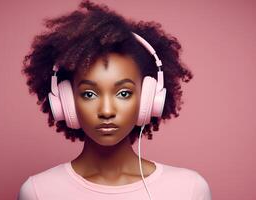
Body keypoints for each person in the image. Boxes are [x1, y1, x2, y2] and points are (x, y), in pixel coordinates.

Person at [18, 0, 212, 199]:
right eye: (89, 94)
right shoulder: (38, 191)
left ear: (149, 99)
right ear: (65, 102)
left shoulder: (189, 189)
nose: (107, 111)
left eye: (124, 93)